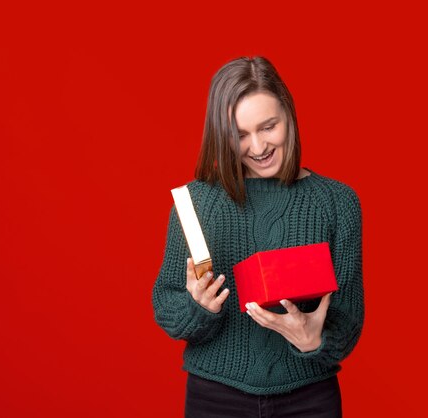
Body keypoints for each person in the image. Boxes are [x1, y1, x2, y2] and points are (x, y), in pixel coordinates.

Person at [152, 56, 364, 418]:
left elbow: (348, 317)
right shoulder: (196, 203)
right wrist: (198, 308)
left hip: (309, 398)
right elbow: (165, 304)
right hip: (216, 398)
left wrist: (314, 340)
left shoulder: (337, 203)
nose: (257, 147)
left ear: (289, 116)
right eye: (240, 135)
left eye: (268, 127)